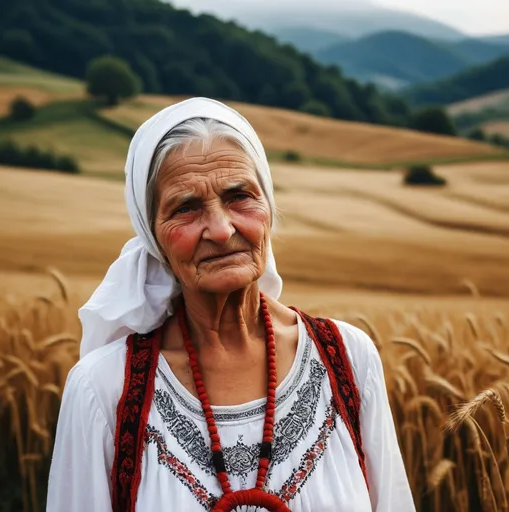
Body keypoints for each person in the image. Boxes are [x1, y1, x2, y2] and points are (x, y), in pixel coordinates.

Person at [47, 97, 415, 512]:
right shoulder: (103, 389)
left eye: (239, 196)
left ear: (269, 210)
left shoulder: (348, 359)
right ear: (154, 238)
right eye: (185, 207)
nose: (221, 230)